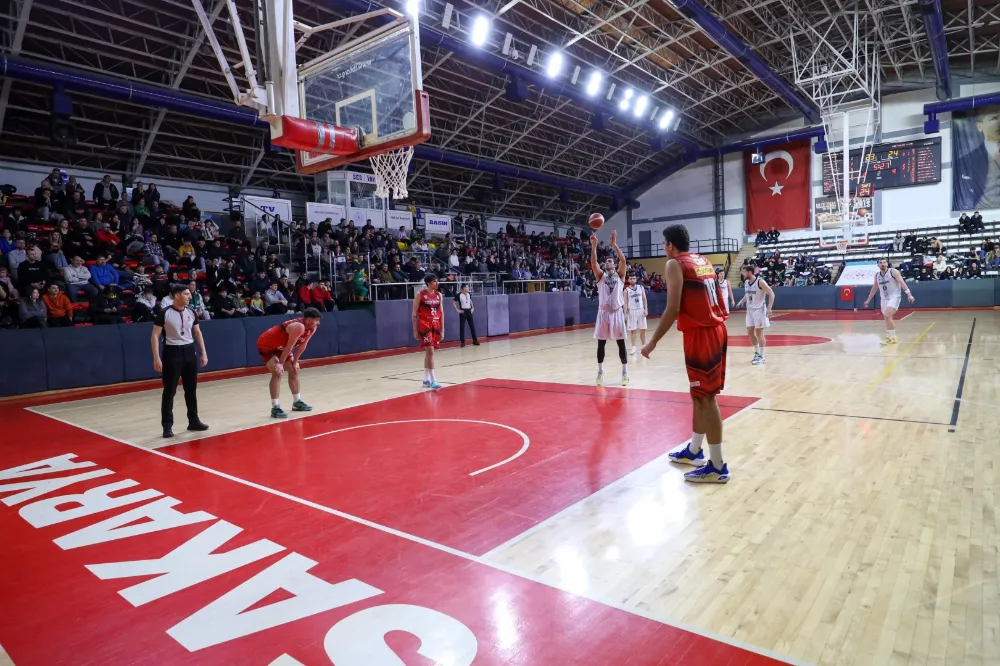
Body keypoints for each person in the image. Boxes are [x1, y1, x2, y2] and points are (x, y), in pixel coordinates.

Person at [641, 224, 731, 483]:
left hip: (702, 334)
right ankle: (694, 450)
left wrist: (652, 342)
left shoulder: (674, 264)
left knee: (707, 399)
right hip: (715, 329)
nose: (664, 248)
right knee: (698, 395)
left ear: (670, 245)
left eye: (664, 244)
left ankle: (717, 466)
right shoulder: (703, 260)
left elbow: (673, 309)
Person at [151, 283, 209, 438]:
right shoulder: (164, 313)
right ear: (177, 295)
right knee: (169, 391)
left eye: (189, 294)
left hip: (189, 351)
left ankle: (193, 421)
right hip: (172, 353)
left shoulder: (192, 312)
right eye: (186, 294)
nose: (189, 296)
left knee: (191, 389)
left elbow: (197, 333)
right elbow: (155, 335)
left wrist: (203, 353)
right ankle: (167, 426)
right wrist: (156, 357)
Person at [256, 307, 322, 418]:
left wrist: (295, 361)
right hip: (267, 344)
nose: (318, 323)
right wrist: (280, 364)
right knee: (277, 372)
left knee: (294, 370)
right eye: (316, 320)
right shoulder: (298, 327)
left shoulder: (312, 328)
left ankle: (297, 402)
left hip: (281, 346)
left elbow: (302, 345)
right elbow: (289, 347)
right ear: (309, 320)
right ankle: (275, 407)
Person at [590, 230, 628, 386]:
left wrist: (614, 244)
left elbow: (623, 260)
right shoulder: (601, 276)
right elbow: (594, 264)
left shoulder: (620, 275)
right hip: (603, 313)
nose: (608, 263)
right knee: (601, 344)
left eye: (611, 261)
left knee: (621, 343)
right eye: (606, 262)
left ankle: (625, 372)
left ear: (614, 264)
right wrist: (594, 246)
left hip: (617, 312)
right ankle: (600, 371)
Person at [864, 258, 914, 345]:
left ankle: (893, 338)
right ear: (878, 265)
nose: (882, 264)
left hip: (894, 296)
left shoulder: (893, 272)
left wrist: (909, 294)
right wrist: (868, 300)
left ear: (887, 264)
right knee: (887, 318)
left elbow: (902, 283)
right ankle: (890, 337)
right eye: (880, 263)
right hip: (884, 298)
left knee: (887, 313)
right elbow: (874, 288)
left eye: (884, 262)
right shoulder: (877, 275)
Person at [735, 265, 775, 365]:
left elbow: (771, 293)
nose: (743, 274)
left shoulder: (760, 282)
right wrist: (741, 301)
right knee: (749, 332)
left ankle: (762, 356)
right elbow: (747, 294)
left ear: (749, 272)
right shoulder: (746, 283)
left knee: (759, 333)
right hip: (749, 311)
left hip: (759, 310)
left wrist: (769, 308)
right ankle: (757, 353)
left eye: (744, 272)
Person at [413, 273, 444, 389]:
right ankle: (433, 380)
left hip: (436, 324)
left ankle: (426, 380)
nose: (437, 283)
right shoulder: (420, 295)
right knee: (430, 351)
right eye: (435, 281)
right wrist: (415, 330)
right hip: (424, 324)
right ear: (429, 283)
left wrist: (442, 329)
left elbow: (442, 313)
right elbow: (414, 314)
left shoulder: (439, 295)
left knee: (429, 352)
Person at [624, 274, 648, 355]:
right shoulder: (626, 290)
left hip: (641, 310)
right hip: (631, 311)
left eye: (634, 278)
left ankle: (643, 346)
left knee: (643, 329)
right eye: (631, 278)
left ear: (636, 279)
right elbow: (625, 303)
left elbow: (644, 299)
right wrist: (625, 313)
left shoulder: (641, 287)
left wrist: (646, 309)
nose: (632, 280)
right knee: (633, 330)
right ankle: (634, 347)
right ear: (628, 280)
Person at [452, 283, 479, 347]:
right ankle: (463, 342)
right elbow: (453, 302)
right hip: (463, 311)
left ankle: (475, 341)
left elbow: (470, 301)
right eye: (467, 287)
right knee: (462, 327)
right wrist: (457, 310)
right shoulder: (459, 295)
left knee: (472, 326)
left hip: (469, 311)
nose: (468, 288)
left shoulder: (469, 294)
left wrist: (473, 307)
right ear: (464, 288)